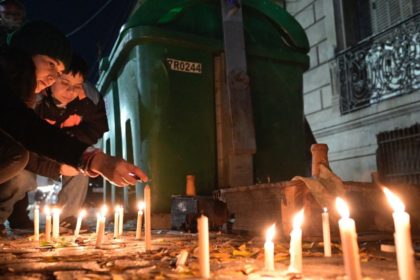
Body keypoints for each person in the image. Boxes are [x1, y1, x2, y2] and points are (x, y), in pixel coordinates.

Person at [0, 20, 148, 233]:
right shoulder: (18, 90)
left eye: (58, 71)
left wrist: (89, 156)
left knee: (29, 157)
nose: (53, 76)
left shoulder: (85, 101)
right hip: (35, 161)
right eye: (51, 63)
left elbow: (29, 129)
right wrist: (90, 159)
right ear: (26, 52)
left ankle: (67, 217)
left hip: (50, 154)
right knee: (18, 157)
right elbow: (29, 130)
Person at [7, 53, 109, 231]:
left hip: (62, 150)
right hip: (30, 153)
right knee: (20, 174)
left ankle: (67, 217)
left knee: (81, 165)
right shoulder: (32, 97)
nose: (71, 92)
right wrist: (56, 168)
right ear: (51, 80)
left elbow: (95, 128)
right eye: (65, 83)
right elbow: (19, 141)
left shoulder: (89, 100)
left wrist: (69, 139)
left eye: (77, 86)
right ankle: (13, 215)